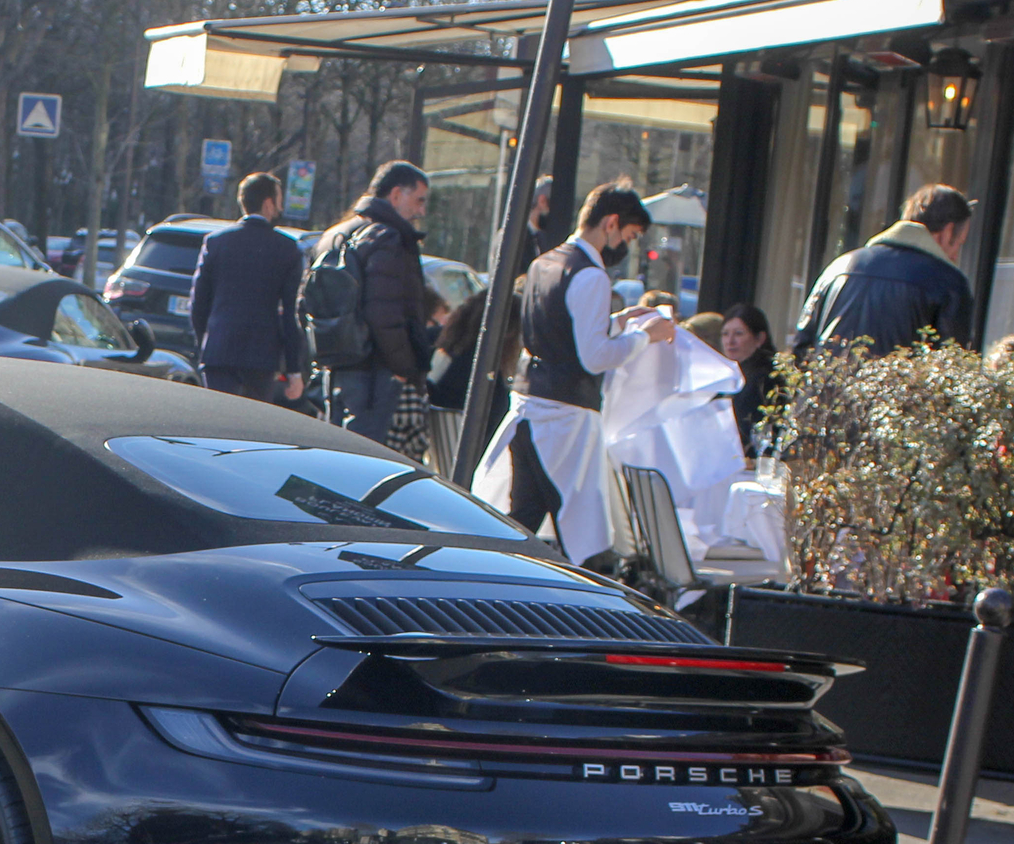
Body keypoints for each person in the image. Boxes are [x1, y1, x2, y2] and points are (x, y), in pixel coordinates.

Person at [469, 178, 676, 561]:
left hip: (529, 403)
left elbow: (562, 329)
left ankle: (501, 583)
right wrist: (645, 335)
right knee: (577, 525)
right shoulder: (590, 274)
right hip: (566, 415)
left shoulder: (543, 264)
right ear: (610, 223)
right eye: (629, 237)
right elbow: (594, 356)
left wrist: (619, 320)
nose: (627, 247)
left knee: (526, 514)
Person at [312, 161, 432, 443]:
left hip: (335, 365)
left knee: (334, 451)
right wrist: (404, 368)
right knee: (362, 457)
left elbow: (306, 303)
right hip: (373, 370)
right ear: (395, 195)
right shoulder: (387, 238)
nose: (421, 211)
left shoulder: (333, 235)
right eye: (418, 200)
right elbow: (384, 314)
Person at [793, 184, 974, 356]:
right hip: (896, 387)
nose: (955, 256)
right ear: (948, 232)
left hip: (829, 386)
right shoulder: (949, 282)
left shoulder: (838, 267)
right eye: (959, 244)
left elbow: (801, 347)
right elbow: (950, 364)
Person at [187, 171, 307, 404]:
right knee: (253, 428)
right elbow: (291, 313)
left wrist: (207, 339)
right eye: (279, 201)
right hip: (261, 356)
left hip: (219, 350)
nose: (281, 208)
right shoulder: (287, 248)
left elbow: (198, 303)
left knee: (217, 424)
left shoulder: (216, 242)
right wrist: (294, 369)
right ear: (269, 204)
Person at [719, 303, 776, 453]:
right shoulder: (723, 374)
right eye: (725, 334)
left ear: (759, 338)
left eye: (738, 333)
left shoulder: (767, 377)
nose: (730, 341)